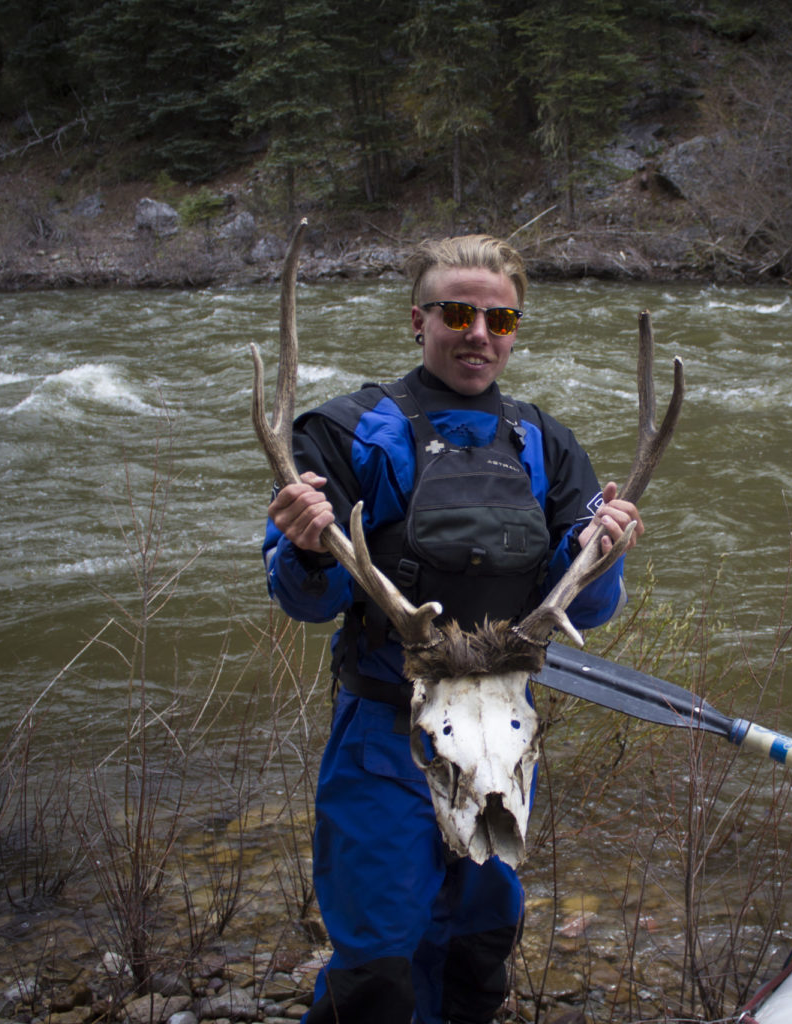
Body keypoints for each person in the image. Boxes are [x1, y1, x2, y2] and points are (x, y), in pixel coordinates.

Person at [261, 234, 645, 1024]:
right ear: (417, 318)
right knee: (377, 960)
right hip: (386, 733)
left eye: (501, 319)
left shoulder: (544, 441)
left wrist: (601, 551)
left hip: (501, 735)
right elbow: (307, 600)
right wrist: (304, 546)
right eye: (459, 313)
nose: (479, 334)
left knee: (479, 942)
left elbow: (590, 611)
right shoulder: (344, 432)